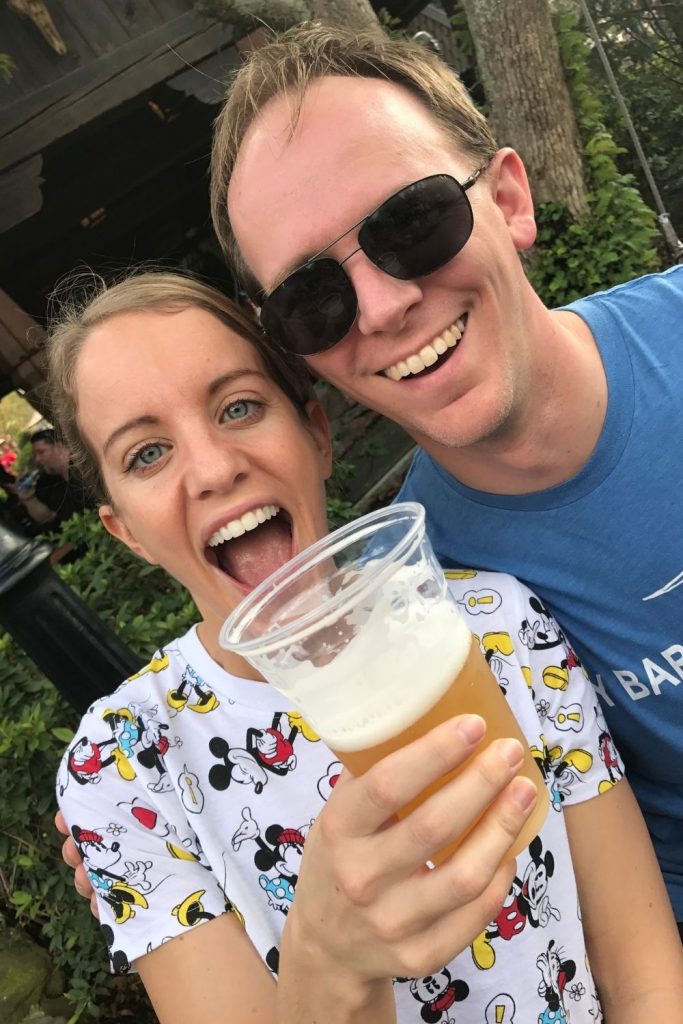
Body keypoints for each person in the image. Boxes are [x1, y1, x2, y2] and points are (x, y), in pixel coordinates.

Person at [52, 271, 682, 1023]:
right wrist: (328, 962)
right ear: (125, 530)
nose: (215, 468)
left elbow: (643, 971)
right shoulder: (120, 772)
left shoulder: (500, 625)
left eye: (239, 407)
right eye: (146, 454)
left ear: (315, 434)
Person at [207, 23, 683, 933]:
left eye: (412, 222)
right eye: (312, 298)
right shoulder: (423, 602)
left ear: (507, 198)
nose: (382, 308)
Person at [16, 428, 91, 529]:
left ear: (59, 446)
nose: (37, 459)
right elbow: (52, 518)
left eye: (41, 452)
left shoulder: (84, 471)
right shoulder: (54, 482)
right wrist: (29, 499)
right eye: (35, 454)